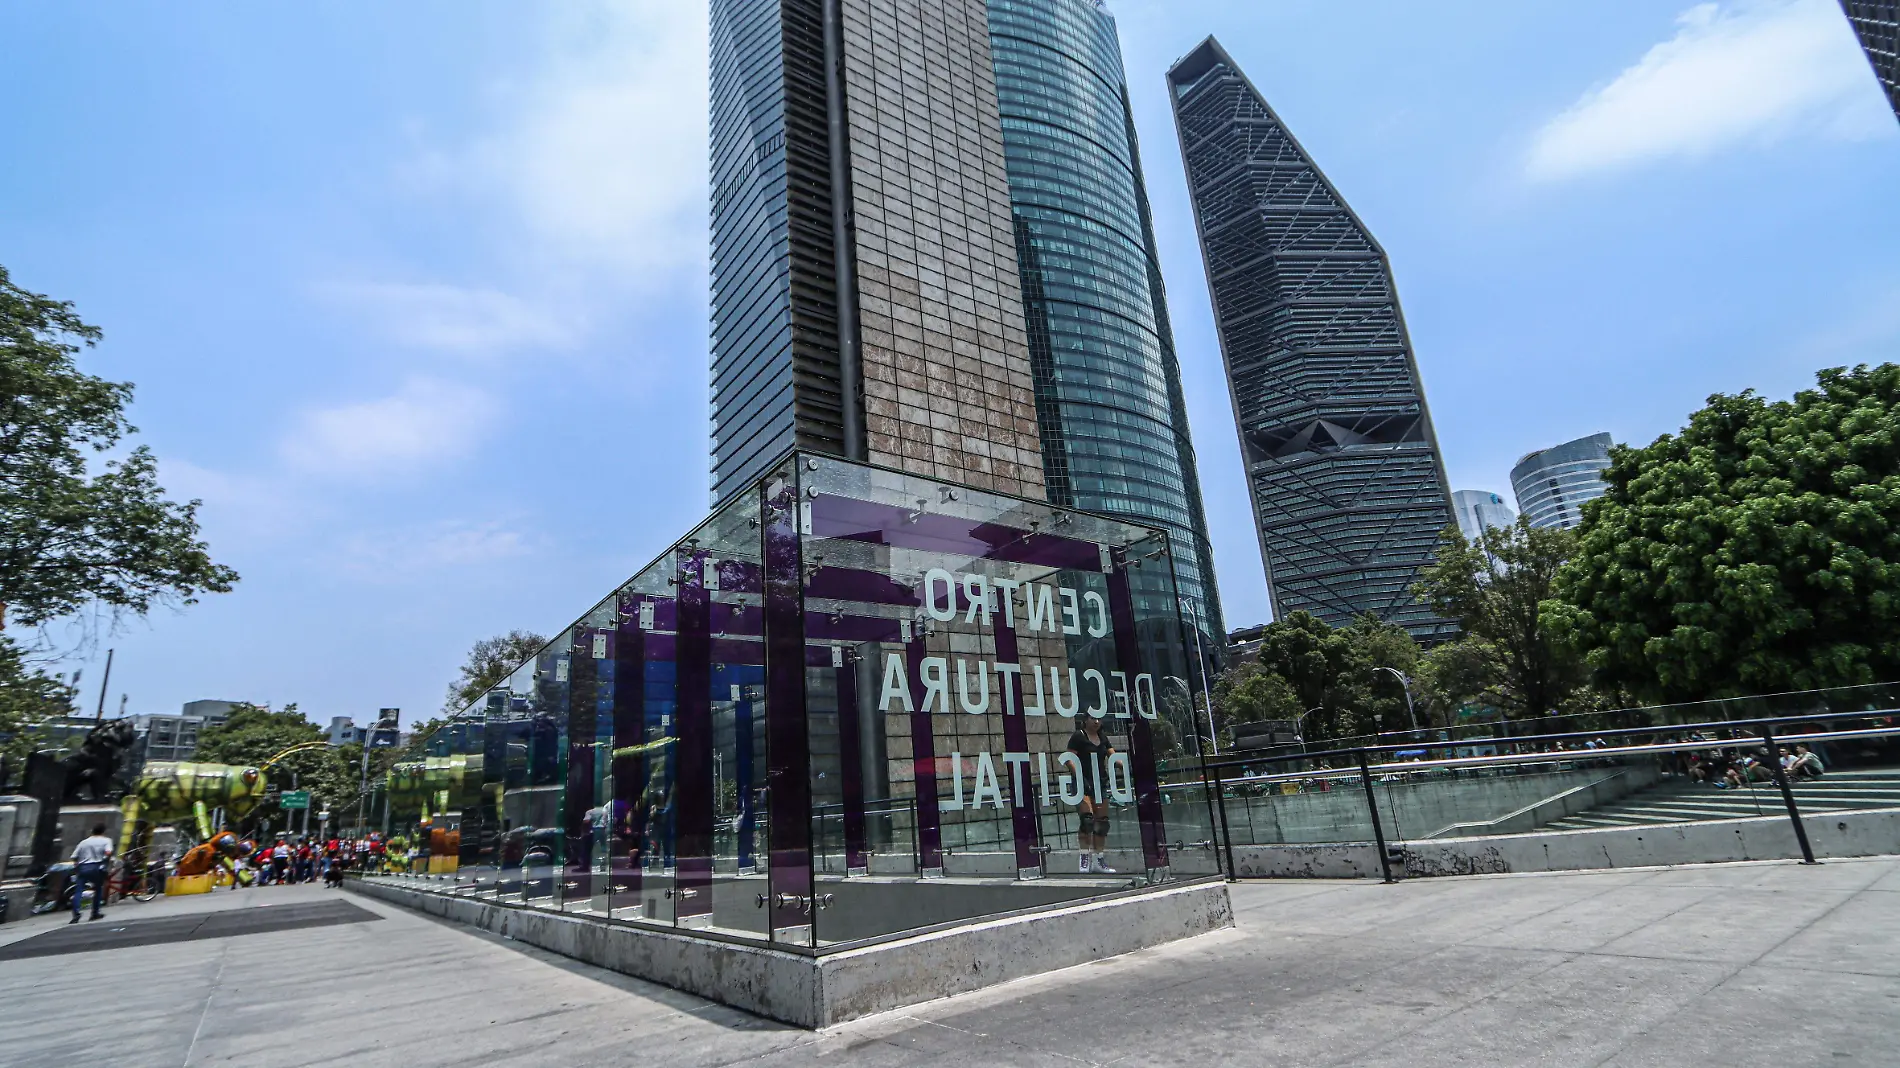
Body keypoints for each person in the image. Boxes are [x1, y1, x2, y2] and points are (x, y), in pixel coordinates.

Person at [1066, 717, 1115, 874]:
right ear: (1085, 720)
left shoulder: (1102, 737)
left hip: (1099, 782)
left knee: (1102, 823)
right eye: (1092, 718)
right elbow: (1069, 759)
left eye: (1099, 718)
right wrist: (1079, 776)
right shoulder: (1078, 736)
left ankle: (1099, 859)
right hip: (1083, 783)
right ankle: (1084, 857)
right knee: (1087, 820)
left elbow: (1113, 757)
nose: (1096, 721)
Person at [69, 823, 114, 924]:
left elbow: (74, 856)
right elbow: (108, 853)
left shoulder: (83, 842)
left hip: (83, 867)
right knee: (97, 889)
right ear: (103, 831)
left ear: (92, 831)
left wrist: (77, 866)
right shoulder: (106, 840)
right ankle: (95, 913)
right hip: (97, 867)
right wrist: (106, 862)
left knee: (78, 891)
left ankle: (76, 914)